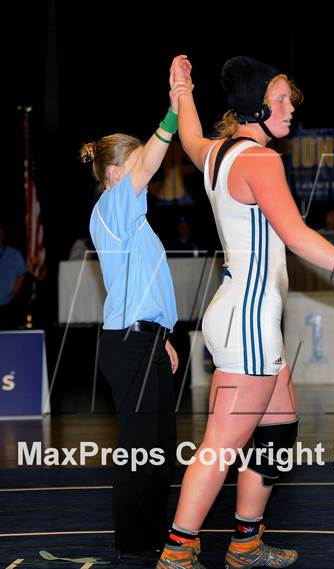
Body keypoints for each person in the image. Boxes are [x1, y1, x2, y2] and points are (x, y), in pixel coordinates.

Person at [155, 55, 334, 569]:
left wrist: (182, 91)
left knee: (279, 428)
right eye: (281, 99)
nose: (291, 108)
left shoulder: (218, 154)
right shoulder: (261, 162)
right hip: (247, 321)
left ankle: (244, 543)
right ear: (255, 106)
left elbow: (191, 136)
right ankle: (177, 552)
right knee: (221, 444)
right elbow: (298, 237)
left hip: (243, 315)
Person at [79, 62, 191, 563]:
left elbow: (140, 285)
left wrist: (161, 335)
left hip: (143, 340)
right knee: (142, 452)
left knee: (159, 450)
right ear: (114, 172)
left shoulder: (128, 215)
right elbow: (150, 162)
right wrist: (173, 108)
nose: (145, 169)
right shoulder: (113, 205)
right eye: (136, 162)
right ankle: (137, 546)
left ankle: (151, 536)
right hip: (130, 345)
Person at [0, 227, 28, 330]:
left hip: (9, 306)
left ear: (2, 235)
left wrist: (16, 289)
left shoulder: (14, 254)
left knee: (9, 336)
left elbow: (22, 273)